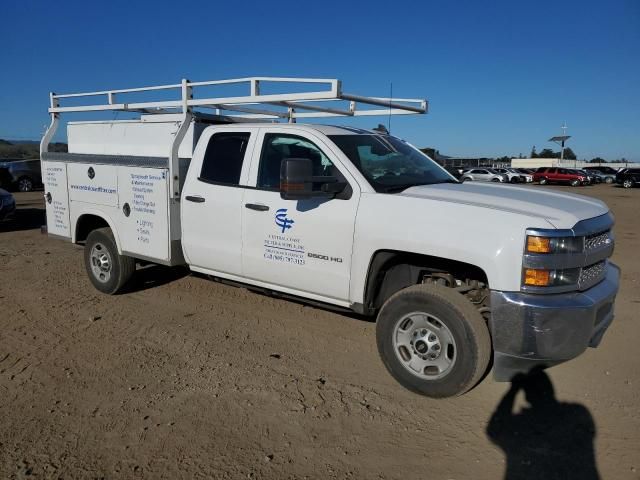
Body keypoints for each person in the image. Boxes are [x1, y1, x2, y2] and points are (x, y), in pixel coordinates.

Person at [487, 369, 600, 480]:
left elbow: (495, 430)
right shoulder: (576, 414)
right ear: (550, 390)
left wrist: (513, 390)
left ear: (527, 396)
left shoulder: (522, 427)